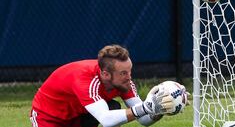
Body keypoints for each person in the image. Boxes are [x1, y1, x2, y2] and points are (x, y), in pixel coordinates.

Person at [30, 44, 181, 127]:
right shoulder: (85, 79)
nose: (129, 77)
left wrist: (159, 109)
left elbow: (144, 119)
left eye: (130, 71)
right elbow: (106, 120)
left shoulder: (124, 82)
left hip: (79, 117)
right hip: (48, 118)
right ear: (105, 74)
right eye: (123, 73)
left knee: (113, 107)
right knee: (110, 113)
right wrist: (146, 107)